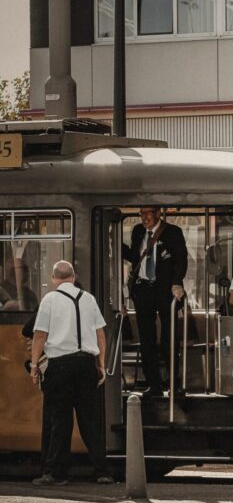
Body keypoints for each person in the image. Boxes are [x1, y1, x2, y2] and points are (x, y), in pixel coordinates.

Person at [28, 261, 113, 486]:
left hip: (60, 366)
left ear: (54, 279)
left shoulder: (50, 300)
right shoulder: (89, 299)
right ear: (73, 277)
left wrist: (35, 365)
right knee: (90, 421)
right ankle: (102, 471)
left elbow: (39, 336)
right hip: (86, 364)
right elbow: (101, 335)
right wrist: (101, 364)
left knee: (60, 421)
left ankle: (57, 473)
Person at [123, 207, 187, 397]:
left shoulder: (173, 232)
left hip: (165, 290)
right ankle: (154, 385)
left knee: (169, 338)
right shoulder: (137, 231)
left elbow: (181, 260)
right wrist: (113, 242)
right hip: (143, 290)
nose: (145, 217)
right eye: (141, 213)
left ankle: (174, 384)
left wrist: (176, 283)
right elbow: (135, 256)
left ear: (158, 213)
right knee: (146, 339)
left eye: (148, 213)